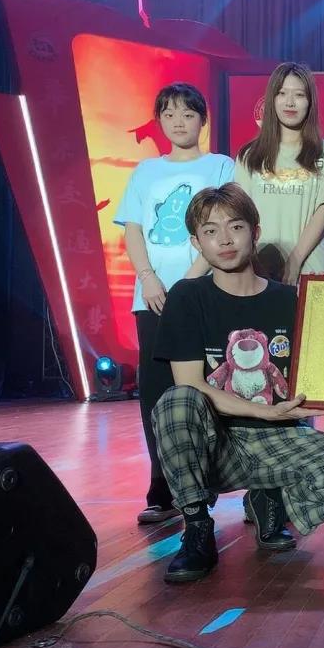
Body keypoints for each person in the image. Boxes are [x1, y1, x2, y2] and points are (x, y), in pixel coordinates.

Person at [151, 184, 324, 582]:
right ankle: (197, 527)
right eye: (211, 231)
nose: (225, 239)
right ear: (196, 243)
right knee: (176, 401)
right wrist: (264, 412)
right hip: (217, 443)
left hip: (277, 440)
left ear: (255, 232)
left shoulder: (292, 299)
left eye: (235, 227)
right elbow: (192, 385)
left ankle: (273, 499)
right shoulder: (187, 296)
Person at [113, 82, 235, 525]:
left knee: (207, 387)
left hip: (204, 291)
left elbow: (227, 225)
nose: (178, 122)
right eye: (168, 114)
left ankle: (205, 482)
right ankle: (161, 488)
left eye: (187, 113)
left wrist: (189, 281)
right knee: (156, 393)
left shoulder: (222, 166)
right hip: (152, 296)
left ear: (203, 120)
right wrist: (148, 277)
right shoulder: (145, 171)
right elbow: (133, 228)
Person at [235, 62, 324, 285]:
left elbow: (323, 211)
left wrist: (294, 261)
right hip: (260, 270)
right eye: (282, 93)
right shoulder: (249, 155)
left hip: (311, 269)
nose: (290, 102)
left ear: (310, 102)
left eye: (299, 95)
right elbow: (241, 214)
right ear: (271, 99)